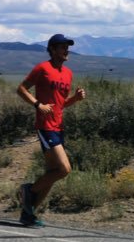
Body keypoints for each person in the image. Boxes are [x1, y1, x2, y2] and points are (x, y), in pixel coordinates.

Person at [16, 34, 87, 227]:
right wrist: (37, 104)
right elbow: (21, 89)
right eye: (62, 47)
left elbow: (61, 104)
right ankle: (28, 190)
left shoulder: (68, 73)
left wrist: (75, 99)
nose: (66, 50)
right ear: (53, 50)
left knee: (52, 173)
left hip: (58, 126)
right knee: (64, 169)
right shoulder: (42, 68)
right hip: (45, 127)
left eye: (67, 47)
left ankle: (28, 214)